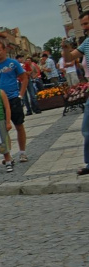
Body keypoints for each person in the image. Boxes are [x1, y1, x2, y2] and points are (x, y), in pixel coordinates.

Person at [0, 41, 30, 163]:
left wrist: (20, 95)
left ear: (4, 51)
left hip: (13, 99)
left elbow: (24, 78)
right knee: (2, 130)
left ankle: (22, 153)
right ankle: (8, 156)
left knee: (19, 125)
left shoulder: (13, 63)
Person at [61, 10, 89, 176]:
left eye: (86, 23)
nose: (85, 27)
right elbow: (69, 59)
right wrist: (65, 48)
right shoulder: (86, 43)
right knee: (87, 127)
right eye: (83, 24)